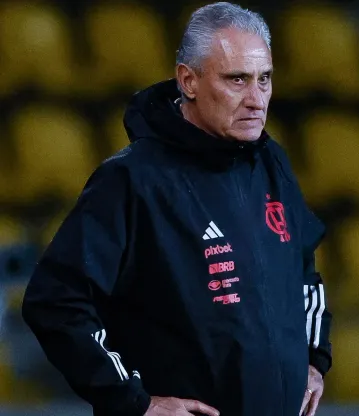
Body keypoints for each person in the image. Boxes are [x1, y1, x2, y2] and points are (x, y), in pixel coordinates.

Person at [21, 2, 332, 415]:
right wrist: (136, 404)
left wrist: (314, 359)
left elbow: (304, 272)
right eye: (237, 79)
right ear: (188, 80)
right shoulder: (132, 179)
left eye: (265, 79)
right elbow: (56, 302)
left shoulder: (271, 162)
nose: (257, 99)